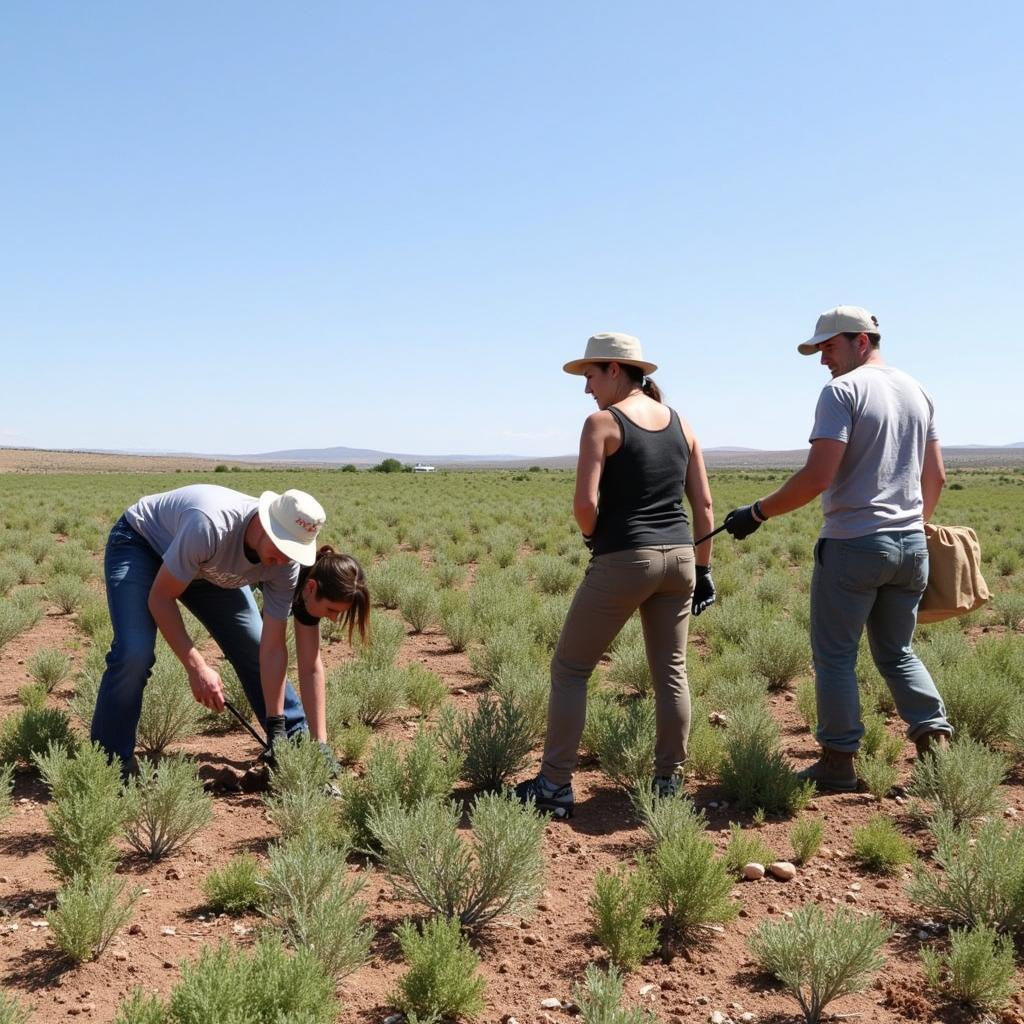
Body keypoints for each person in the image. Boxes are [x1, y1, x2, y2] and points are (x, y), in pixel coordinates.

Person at [723, 305, 952, 792]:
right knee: (898, 652)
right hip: (912, 545)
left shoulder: (842, 391)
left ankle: (837, 762)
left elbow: (818, 476)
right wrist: (912, 527)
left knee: (835, 657)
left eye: (828, 346)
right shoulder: (919, 390)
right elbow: (937, 477)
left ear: (861, 341)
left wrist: (757, 512)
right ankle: (937, 747)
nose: (823, 358)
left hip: (853, 545)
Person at [515, 332, 716, 819]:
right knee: (671, 671)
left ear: (615, 370)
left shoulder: (602, 424)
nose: (586, 389)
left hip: (626, 558)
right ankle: (669, 782)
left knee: (571, 668)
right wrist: (705, 571)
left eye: (590, 376)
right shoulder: (682, 424)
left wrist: (593, 538)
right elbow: (705, 507)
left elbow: (585, 505)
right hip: (681, 559)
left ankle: (555, 786)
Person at [91, 483, 329, 773]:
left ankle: (295, 752)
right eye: (281, 548)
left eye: (293, 553)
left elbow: (272, 648)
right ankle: (108, 765)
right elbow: (161, 598)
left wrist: (276, 725)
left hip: (205, 570)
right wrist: (197, 667)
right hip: (142, 545)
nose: (283, 560)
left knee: (253, 645)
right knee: (134, 652)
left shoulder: (284, 565)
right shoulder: (210, 525)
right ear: (265, 525)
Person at [280, 544, 370, 758]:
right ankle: (293, 738)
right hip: (225, 574)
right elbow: (268, 651)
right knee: (255, 654)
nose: (332, 618)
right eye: (331, 610)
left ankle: (312, 748)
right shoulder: (284, 571)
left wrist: (320, 742)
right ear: (311, 588)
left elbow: (310, 667)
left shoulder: (308, 594)